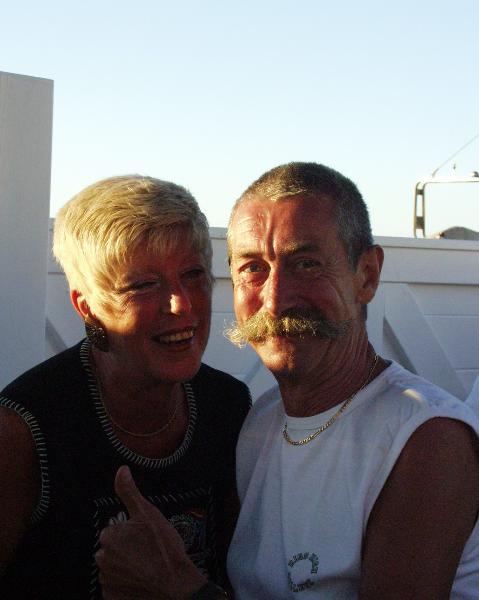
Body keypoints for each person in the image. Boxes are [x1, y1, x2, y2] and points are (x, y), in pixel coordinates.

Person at [96, 163, 479, 599]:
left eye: (307, 264)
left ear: (367, 275)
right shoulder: (260, 422)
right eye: (252, 268)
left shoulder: (425, 439)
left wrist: (178, 587)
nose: (275, 300)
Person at [0, 175, 250, 599]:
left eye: (193, 274)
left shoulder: (227, 406)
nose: (181, 304)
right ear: (87, 307)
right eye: (143, 285)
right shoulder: (22, 431)